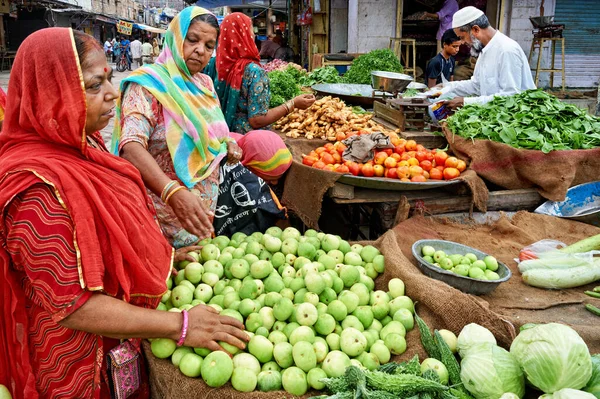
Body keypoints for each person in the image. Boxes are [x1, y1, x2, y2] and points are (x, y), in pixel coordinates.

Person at [0, 28, 248, 399]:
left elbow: (104, 242)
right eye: (93, 85)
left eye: (109, 80)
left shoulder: (85, 147)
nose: (113, 94)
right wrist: (178, 325)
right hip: (74, 362)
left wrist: (158, 260)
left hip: (117, 341)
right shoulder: (35, 188)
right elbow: (72, 306)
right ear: (51, 92)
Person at [111, 7, 292, 248]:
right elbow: (130, 147)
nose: (200, 50)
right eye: (192, 40)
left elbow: (215, 129)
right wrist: (172, 192)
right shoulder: (148, 85)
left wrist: (228, 144)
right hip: (160, 212)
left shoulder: (204, 83)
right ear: (175, 37)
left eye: (209, 46)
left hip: (202, 211)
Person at [206, 12, 315, 134]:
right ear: (243, 34)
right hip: (247, 140)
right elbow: (257, 120)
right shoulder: (254, 72)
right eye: (251, 30)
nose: (253, 34)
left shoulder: (212, 65)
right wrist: (292, 104)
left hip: (217, 135)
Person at [442, 7, 536, 108]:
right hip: (496, 112)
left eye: (462, 38)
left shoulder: (507, 50)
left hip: (517, 116)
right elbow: (477, 85)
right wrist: (447, 87)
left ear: (476, 30)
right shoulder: (484, 50)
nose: (463, 42)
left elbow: (510, 97)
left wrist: (465, 102)